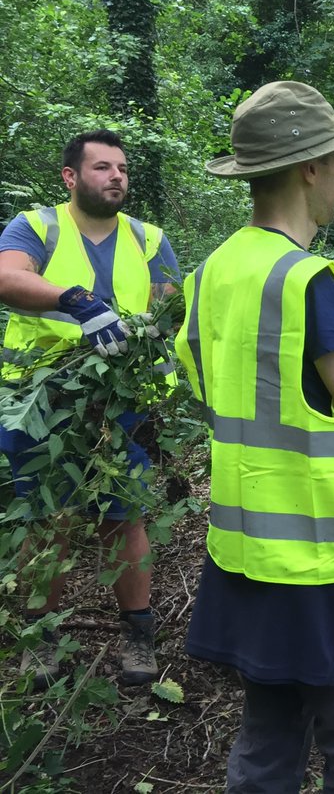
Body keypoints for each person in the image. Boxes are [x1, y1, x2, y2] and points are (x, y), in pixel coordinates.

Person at [175, 81, 334, 792]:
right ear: (310, 167)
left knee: (268, 740)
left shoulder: (212, 273)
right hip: (333, 561)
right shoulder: (305, 280)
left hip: (251, 557)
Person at [0, 130, 179, 688]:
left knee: (123, 518)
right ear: (71, 177)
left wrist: (148, 336)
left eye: (122, 168)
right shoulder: (37, 227)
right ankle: (41, 639)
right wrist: (72, 299)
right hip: (43, 403)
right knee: (44, 521)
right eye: (102, 167)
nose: (116, 176)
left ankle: (138, 635)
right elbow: (7, 277)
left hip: (120, 404)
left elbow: (167, 304)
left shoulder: (149, 239)